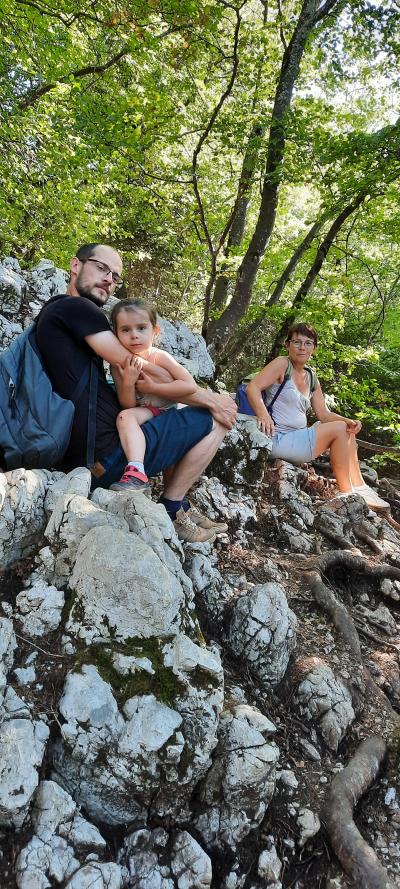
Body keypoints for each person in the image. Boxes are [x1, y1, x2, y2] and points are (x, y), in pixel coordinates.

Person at [35, 243, 236, 541]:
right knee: (218, 418)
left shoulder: (58, 315)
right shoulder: (75, 307)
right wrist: (212, 400)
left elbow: (146, 374)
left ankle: (180, 505)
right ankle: (171, 508)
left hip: (97, 459)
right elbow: (136, 365)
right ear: (75, 266)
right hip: (109, 456)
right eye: (101, 268)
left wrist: (171, 389)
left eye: (114, 276)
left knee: (180, 416)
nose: (108, 279)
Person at [246, 322, 389, 510]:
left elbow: (324, 414)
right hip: (278, 437)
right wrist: (263, 414)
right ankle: (347, 493)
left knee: (346, 429)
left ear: (314, 348)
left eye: (307, 343)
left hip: (297, 439)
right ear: (288, 345)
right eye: (296, 342)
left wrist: (349, 421)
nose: (302, 347)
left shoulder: (311, 377)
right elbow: (253, 387)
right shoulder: (282, 364)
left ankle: (360, 486)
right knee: (339, 429)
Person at [109, 297, 197, 492]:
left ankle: (174, 500)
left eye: (141, 328)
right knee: (125, 417)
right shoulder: (117, 365)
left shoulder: (159, 357)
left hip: (165, 409)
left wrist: (153, 388)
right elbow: (127, 404)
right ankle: (136, 472)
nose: (134, 335)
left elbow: (189, 385)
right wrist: (129, 382)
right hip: (144, 410)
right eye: (125, 330)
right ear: (116, 334)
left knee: (172, 461)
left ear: (155, 331)